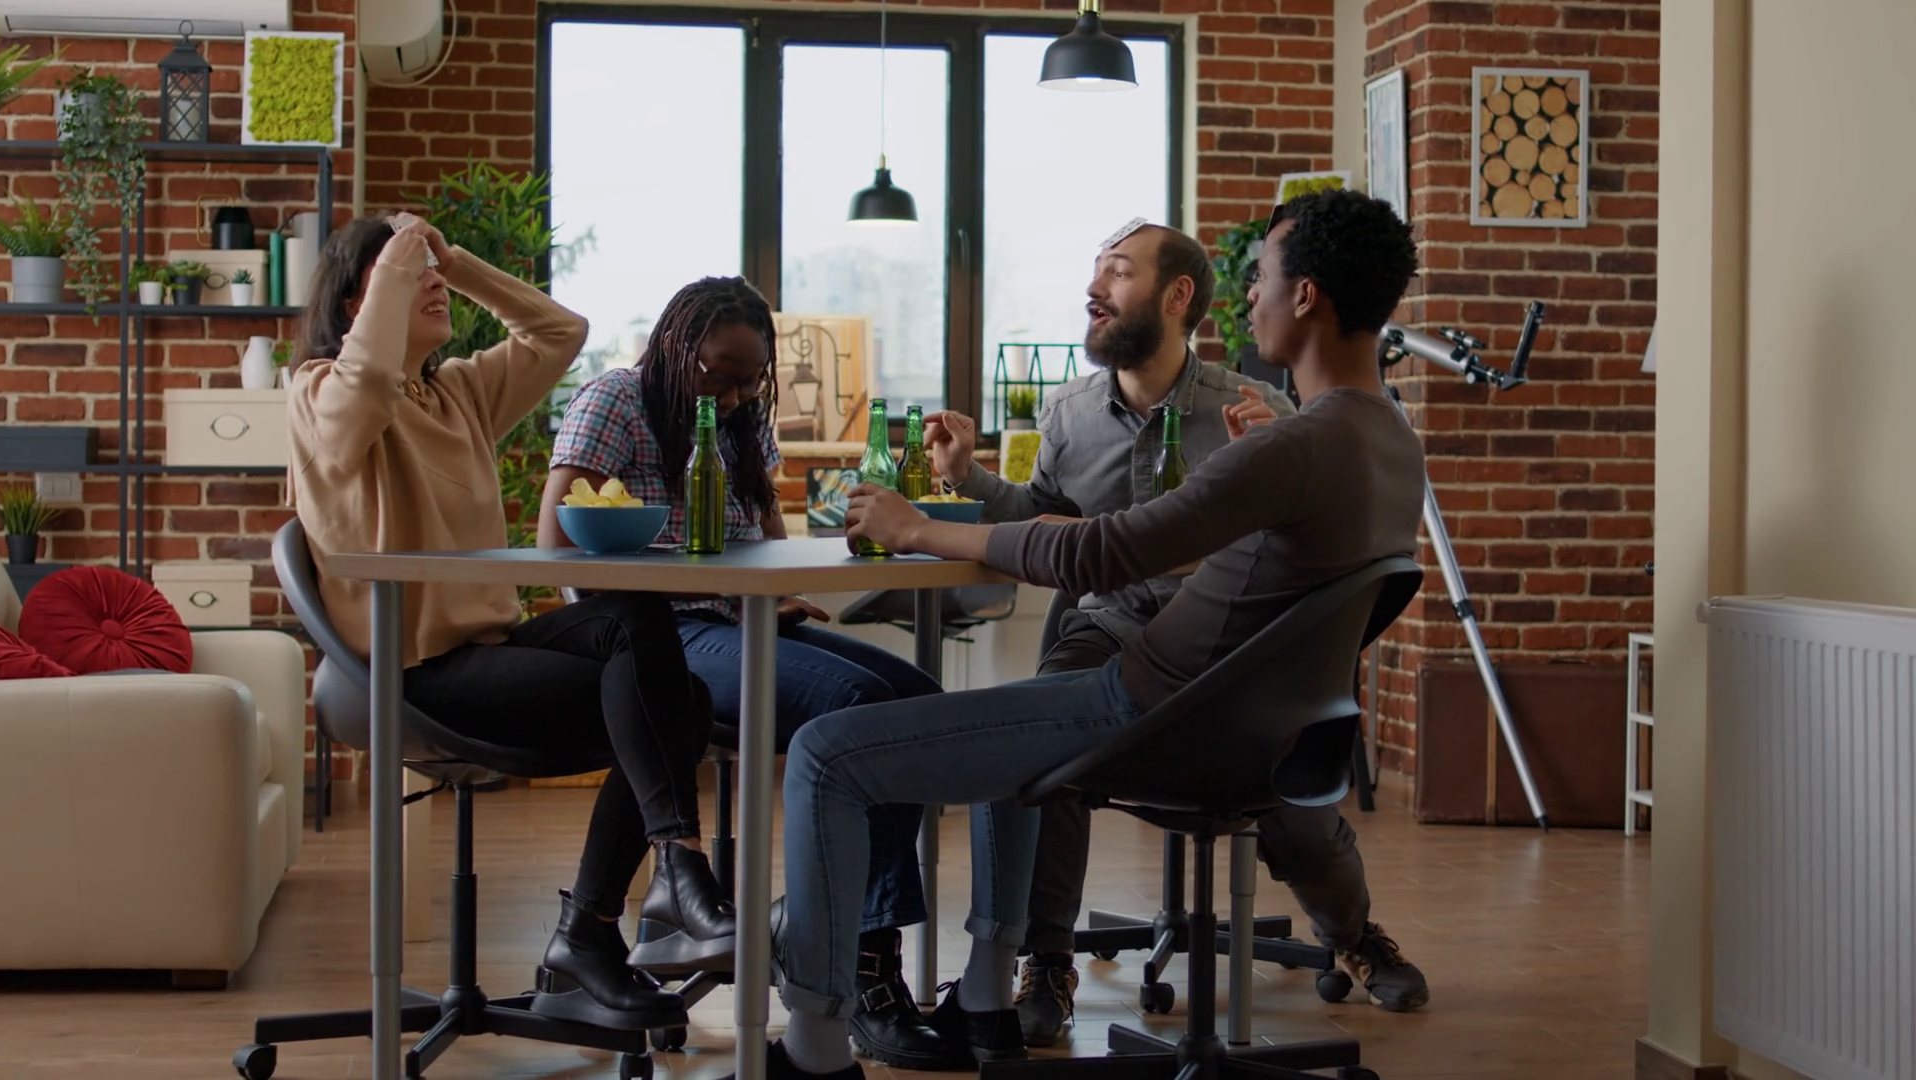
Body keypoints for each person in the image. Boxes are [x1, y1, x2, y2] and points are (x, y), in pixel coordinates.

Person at [746, 190, 1427, 1080]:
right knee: (1004, 725)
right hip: (1235, 724)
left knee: (823, 755)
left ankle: (815, 1052)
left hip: (1153, 714)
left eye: (1261, 277)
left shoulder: (1289, 442)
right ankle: (988, 1000)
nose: (1250, 296)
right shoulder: (1391, 438)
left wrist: (919, 529)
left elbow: (1101, 551)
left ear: (1305, 296)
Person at [922, 223, 1428, 1043]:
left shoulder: (1257, 409)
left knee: (1284, 772)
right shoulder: (1068, 413)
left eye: (1118, 272)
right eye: (1095, 271)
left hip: (1228, 636)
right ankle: (1046, 958)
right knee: (1046, 726)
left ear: (1176, 296)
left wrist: (923, 528)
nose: (1094, 289)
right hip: (1111, 622)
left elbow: (1290, 545)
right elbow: (1046, 518)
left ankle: (1353, 934)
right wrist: (968, 480)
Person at [286, 215, 708, 1033]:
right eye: (405, 276)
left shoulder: (457, 394)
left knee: (657, 652)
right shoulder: (318, 393)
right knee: (670, 708)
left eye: (429, 275)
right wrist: (397, 261)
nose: (428, 283)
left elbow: (560, 332)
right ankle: (622, 912)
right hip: (408, 671)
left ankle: (632, 898)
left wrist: (455, 263)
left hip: (486, 645)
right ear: (354, 307)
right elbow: (359, 397)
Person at [538, 276, 961, 1070]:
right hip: (658, 635)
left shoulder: (741, 424)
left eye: (748, 380)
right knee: (863, 706)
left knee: (918, 701)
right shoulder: (615, 401)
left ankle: (861, 953)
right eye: (719, 375)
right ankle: (854, 976)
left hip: (741, 618)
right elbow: (555, 546)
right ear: (676, 346)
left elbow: (767, 537)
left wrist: (780, 588)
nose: (732, 397)